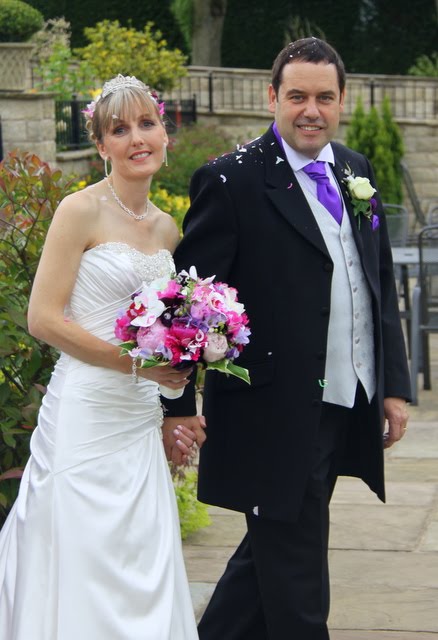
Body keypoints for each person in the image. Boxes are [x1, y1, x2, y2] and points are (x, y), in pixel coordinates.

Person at [163, 38, 411, 639]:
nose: (311, 110)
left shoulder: (357, 171)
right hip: (269, 413)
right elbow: (187, 304)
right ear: (272, 97)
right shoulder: (230, 180)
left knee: (269, 555)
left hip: (341, 399)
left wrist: (393, 386)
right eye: (297, 95)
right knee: (298, 578)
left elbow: (375, 282)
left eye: (324, 97)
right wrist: (178, 405)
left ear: (341, 100)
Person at [0, 74, 205, 640]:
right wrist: (136, 367)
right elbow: (42, 318)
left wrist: (174, 408)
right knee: (84, 558)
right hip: (87, 415)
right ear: (101, 145)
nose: (136, 137)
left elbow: (172, 338)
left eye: (146, 123)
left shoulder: (168, 229)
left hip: (139, 422)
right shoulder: (79, 210)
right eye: (119, 129)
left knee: (140, 560)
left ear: (165, 134)